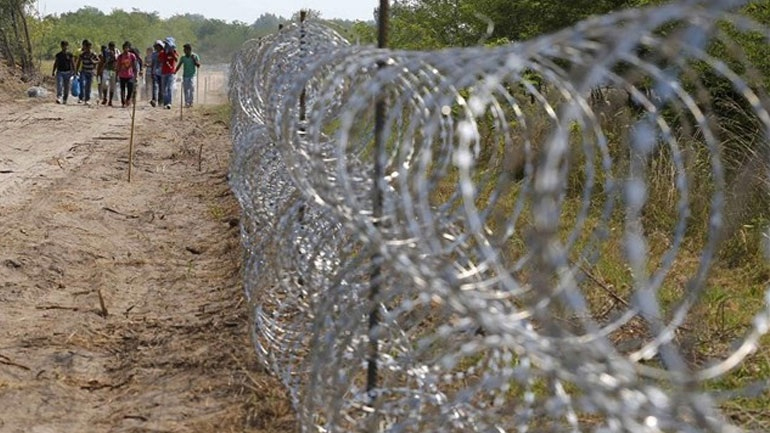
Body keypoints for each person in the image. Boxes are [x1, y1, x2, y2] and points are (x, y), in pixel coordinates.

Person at [175, 43, 200, 108]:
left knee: (191, 88)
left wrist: (194, 60)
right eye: (184, 49)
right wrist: (175, 71)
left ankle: (191, 102)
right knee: (186, 89)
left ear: (189, 50)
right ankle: (186, 102)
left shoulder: (195, 56)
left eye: (185, 49)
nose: (184, 51)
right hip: (185, 76)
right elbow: (179, 65)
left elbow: (198, 65)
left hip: (192, 75)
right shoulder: (183, 57)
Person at [75, 39, 99, 105]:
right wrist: (76, 71)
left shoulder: (93, 54)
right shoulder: (83, 54)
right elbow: (79, 62)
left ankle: (87, 99)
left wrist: (94, 62)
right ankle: (81, 98)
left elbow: (98, 60)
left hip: (90, 72)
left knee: (88, 86)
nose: (87, 48)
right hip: (83, 71)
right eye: (86, 46)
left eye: (89, 46)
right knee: (82, 85)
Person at [51, 40, 75, 104]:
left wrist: (74, 71)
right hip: (60, 72)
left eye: (66, 46)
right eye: (63, 46)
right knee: (59, 84)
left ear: (67, 46)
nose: (65, 47)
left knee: (66, 87)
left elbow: (73, 63)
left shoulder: (70, 55)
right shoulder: (58, 55)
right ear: (61, 46)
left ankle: (65, 99)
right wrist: (53, 71)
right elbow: (56, 63)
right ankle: (59, 97)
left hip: (68, 72)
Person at [116, 41, 138, 107]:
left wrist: (135, 75)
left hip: (130, 75)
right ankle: (123, 102)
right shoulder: (120, 57)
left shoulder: (132, 56)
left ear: (129, 48)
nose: (126, 49)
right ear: (123, 48)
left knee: (130, 89)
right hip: (122, 75)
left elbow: (134, 66)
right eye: (125, 47)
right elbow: (118, 66)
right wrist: (117, 75)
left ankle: (128, 99)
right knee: (122, 89)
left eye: (127, 48)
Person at [158, 36, 179, 109]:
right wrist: (165, 54)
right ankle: (165, 103)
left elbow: (176, 59)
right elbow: (160, 60)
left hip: (170, 73)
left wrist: (172, 53)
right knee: (164, 88)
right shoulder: (162, 53)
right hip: (163, 72)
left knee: (169, 88)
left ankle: (169, 103)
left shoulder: (173, 52)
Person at [97, 41, 119, 106]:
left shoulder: (117, 51)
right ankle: (105, 98)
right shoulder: (105, 52)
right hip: (106, 70)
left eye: (112, 47)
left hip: (112, 71)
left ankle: (110, 100)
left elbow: (117, 59)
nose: (111, 48)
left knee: (112, 85)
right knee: (105, 84)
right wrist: (101, 68)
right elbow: (103, 60)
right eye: (110, 47)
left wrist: (113, 54)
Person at [149, 40, 163, 107]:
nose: (157, 47)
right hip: (155, 72)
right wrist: (152, 72)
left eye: (158, 46)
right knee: (155, 86)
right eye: (156, 46)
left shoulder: (163, 53)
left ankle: (160, 100)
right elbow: (153, 63)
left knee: (161, 87)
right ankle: (154, 100)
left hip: (162, 72)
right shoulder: (154, 54)